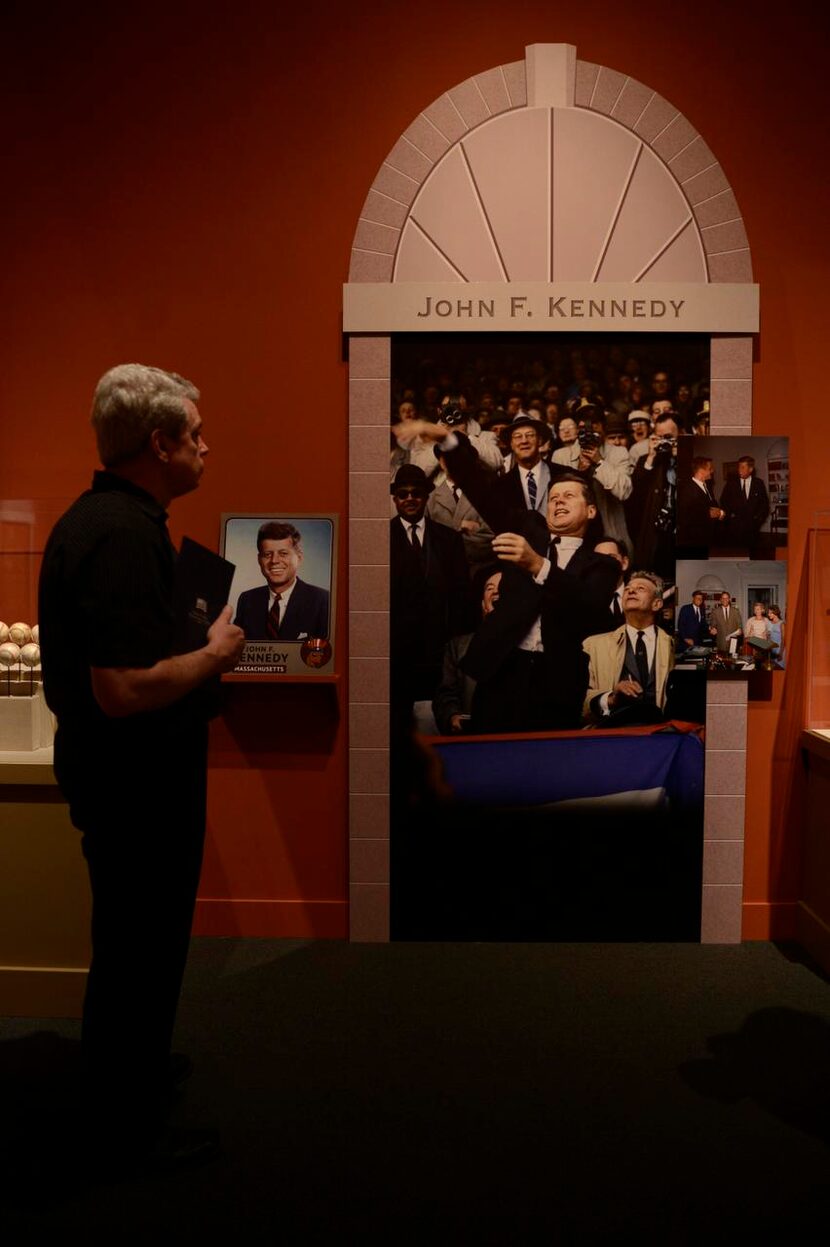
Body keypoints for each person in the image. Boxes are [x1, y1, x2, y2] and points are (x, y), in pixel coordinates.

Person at [38, 363, 245, 1169]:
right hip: (136, 783)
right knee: (137, 949)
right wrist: (217, 651)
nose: (205, 446)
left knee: (139, 943)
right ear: (158, 442)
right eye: (193, 434)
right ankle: (125, 1127)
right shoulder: (120, 534)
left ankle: (133, 1082)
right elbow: (122, 689)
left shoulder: (113, 522)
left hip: (129, 778)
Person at [393, 418, 618, 732]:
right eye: (553, 497)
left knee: (546, 767)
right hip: (503, 670)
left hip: (557, 680)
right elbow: (480, 490)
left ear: (591, 511)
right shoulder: (528, 529)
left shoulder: (601, 562)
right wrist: (447, 440)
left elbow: (588, 602)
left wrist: (537, 565)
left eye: (568, 496)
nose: (557, 501)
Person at [389, 464, 471, 727]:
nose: (410, 498)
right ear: (395, 499)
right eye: (403, 494)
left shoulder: (449, 539)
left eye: (416, 493)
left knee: (442, 721)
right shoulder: (379, 538)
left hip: (440, 649)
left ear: (426, 496)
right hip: (397, 651)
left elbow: (461, 595)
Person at [582, 571, 674, 723]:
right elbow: (575, 699)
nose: (631, 590)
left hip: (661, 739)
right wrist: (610, 698)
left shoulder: (672, 646)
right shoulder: (592, 646)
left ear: (657, 604)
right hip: (612, 738)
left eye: (641, 588)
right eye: (627, 589)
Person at [432, 568, 502, 734]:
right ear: (482, 604)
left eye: (503, 587)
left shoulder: (527, 645)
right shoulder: (457, 647)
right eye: (489, 588)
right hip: (470, 737)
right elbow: (445, 693)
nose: (496, 591)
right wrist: (452, 716)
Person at [234, 521, 330, 640]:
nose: (274, 560)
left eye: (283, 553)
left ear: (299, 558)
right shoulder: (247, 600)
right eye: (267, 554)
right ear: (259, 560)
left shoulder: (323, 601)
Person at [719, 455, 770, 552]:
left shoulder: (759, 483)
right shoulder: (731, 483)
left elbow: (764, 504)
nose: (739, 470)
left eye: (743, 467)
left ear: (750, 469)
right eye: (739, 467)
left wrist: (758, 520)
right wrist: (730, 517)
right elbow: (723, 501)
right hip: (734, 527)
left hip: (752, 527)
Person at [677, 456, 725, 547]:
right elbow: (683, 516)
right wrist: (707, 514)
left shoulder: (707, 486)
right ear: (701, 471)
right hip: (695, 540)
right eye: (710, 469)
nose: (712, 471)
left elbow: (711, 504)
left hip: (709, 536)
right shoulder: (687, 489)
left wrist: (720, 512)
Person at [677, 590, 709, 654]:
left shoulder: (702, 610)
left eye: (701, 599)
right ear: (693, 598)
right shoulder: (685, 608)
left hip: (698, 642)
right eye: (697, 598)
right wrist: (686, 638)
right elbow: (681, 625)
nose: (699, 600)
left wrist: (710, 628)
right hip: (686, 642)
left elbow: (703, 624)